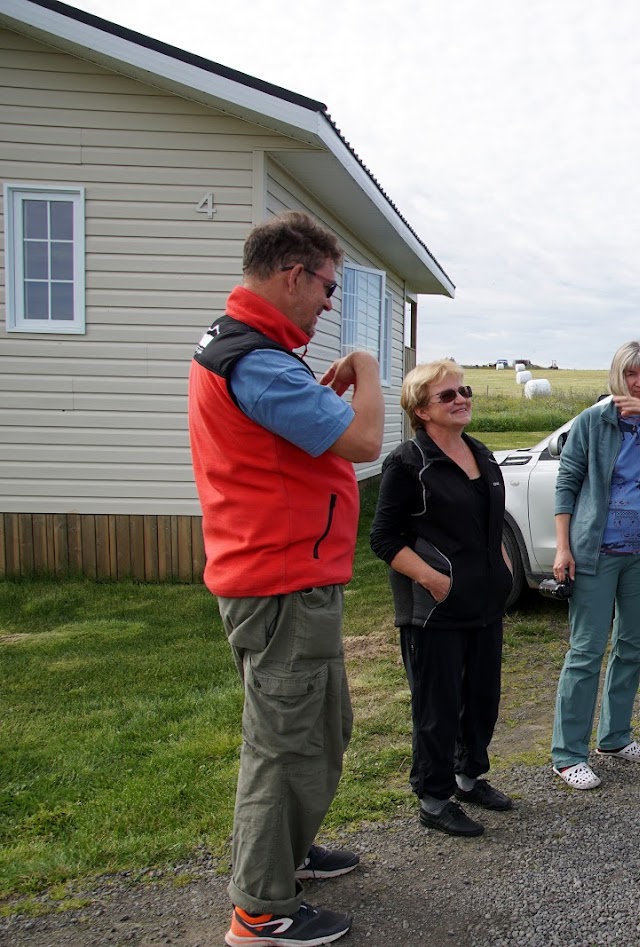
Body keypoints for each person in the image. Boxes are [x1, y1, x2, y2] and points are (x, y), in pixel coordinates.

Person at [189, 212, 383, 947]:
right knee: (285, 743)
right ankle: (260, 910)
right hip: (278, 585)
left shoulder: (256, 351)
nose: (330, 302)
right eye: (328, 287)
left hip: (288, 578)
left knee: (320, 728)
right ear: (292, 274)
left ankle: (286, 853)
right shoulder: (256, 361)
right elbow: (362, 437)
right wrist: (365, 367)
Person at [369, 360, 515, 837]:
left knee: (481, 699)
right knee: (438, 706)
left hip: (484, 603)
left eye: (463, 390)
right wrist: (433, 580)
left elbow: (490, 524)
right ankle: (434, 800)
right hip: (434, 611)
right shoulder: (408, 462)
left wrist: (502, 566)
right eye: (447, 396)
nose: (461, 399)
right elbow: (385, 539)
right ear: (420, 410)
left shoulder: (482, 454)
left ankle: (468, 777)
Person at [550, 341, 640, 790]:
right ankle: (568, 753)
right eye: (631, 374)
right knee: (586, 650)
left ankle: (615, 738)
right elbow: (567, 483)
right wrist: (562, 548)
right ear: (618, 377)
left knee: (631, 647)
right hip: (595, 553)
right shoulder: (593, 421)